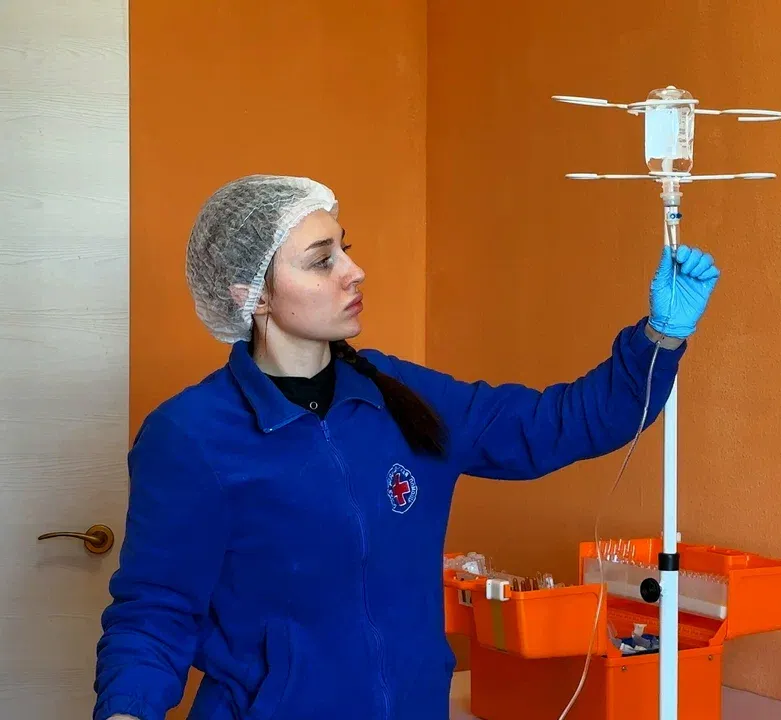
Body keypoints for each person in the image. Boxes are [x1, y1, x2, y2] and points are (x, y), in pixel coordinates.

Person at [93, 174, 721, 720]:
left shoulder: (400, 395)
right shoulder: (192, 435)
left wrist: (660, 338)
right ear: (251, 295)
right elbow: (155, 611)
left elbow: (558, 423)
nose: (353, 271)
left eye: (344, 249)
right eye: (321, 261)